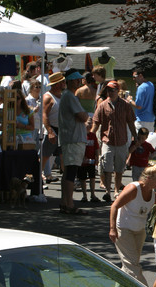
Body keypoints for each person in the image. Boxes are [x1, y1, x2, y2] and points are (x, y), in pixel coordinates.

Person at [110, 164, 156, 287]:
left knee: (130, 264)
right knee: (132, 264)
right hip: (123, 230)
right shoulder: (133, 188)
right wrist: (112, 229)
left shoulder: (153, 195)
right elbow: (114, 206)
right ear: (148, 178)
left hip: (139, 231)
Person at [91, 80, 138, 202]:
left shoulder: (125, 105)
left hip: (122, 140)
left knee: (119, 167)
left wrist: (135, 136)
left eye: (112, 90)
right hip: (107, 140)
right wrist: (89, 136)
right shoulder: (102, 105)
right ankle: (107, 191)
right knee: (106, 166)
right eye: (108, 90)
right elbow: (96, 122)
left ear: (118, 91)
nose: (110, 92)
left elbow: (131, 122)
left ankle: (116, 190)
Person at [58, 69, 89, 215]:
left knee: (68, 172)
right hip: (73, 138)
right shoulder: (70, 96)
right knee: (71, 171)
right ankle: (69, 204)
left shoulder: (68, 96)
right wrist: (82, 116)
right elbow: (83, 116)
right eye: (76, 80)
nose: (79, 82)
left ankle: (65, 202)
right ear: (69, 81)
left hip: (70, 138)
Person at [41, 72, 66, 184]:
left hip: (62, 131)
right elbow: (44, 115)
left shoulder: (62, 96)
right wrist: (50, 131)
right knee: (44, 157)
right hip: (52, 130)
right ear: (56, 84)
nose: (64, 84)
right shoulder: (48, 97)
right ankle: (37, 180)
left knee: (63, 158)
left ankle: (67, 182)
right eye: (62, 82)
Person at [77, 119, 100, 203]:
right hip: (82, 162)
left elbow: (96, 148)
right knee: (83, 178)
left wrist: (97, 157)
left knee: (92, 177)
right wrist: (82, 157)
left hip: (91, 161)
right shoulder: (81, 135)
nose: (90, 125)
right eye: (88, 123)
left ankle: (93, 194)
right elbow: (79, 147)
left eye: (91, 123)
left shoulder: (93, 136)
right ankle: (84, 195)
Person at [25, 78, 42, 144]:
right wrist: (32, 111)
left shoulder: (42, 99)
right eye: (36, 87)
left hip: (40, 128)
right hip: (31, 127)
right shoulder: (27, 100)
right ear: (31, 88)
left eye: (40, 87)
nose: (38, 89)